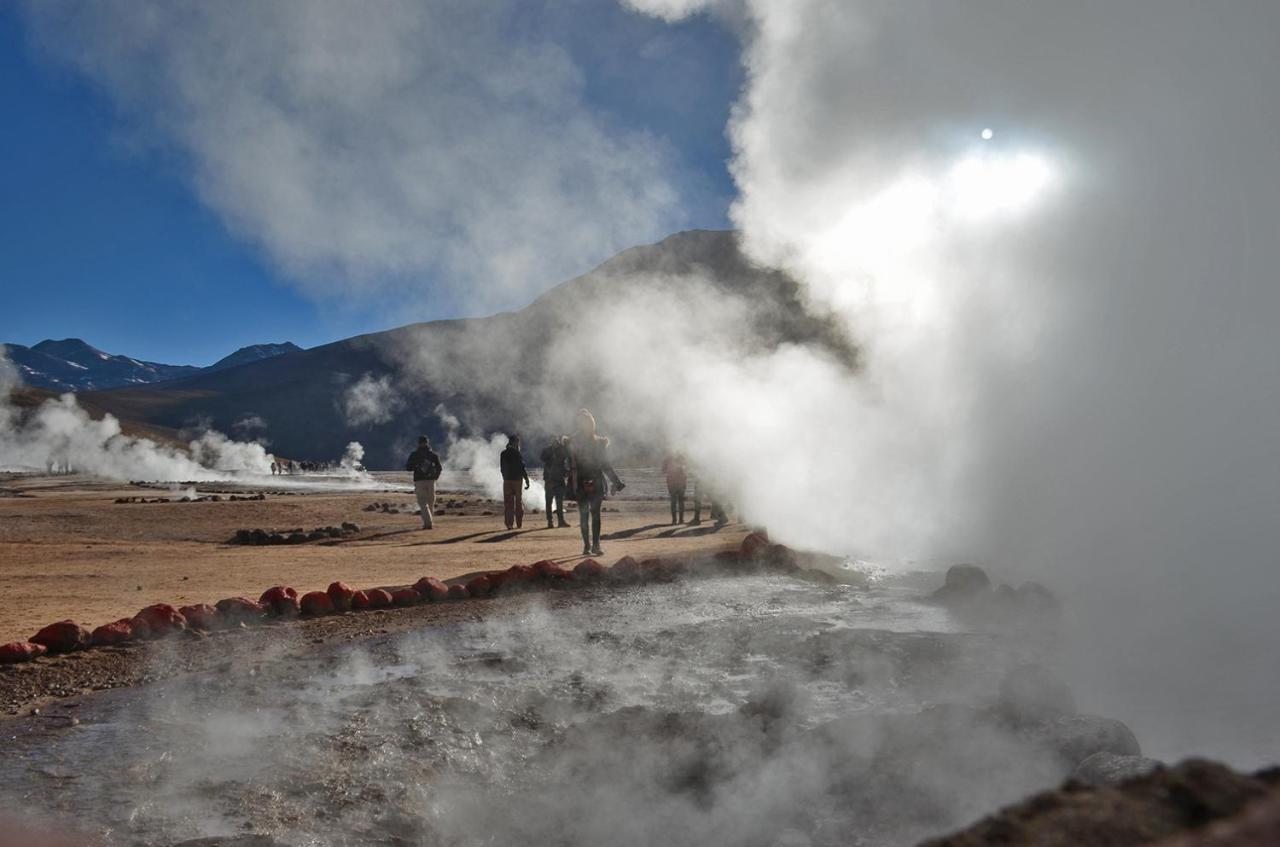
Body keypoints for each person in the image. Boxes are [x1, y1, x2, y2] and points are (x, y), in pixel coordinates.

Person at [568, 408, 624, 556]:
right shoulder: (574, 443)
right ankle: (589, 546)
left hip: (591, 482)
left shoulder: (595, 443)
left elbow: (605, 465)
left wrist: (616, 481)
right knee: (587, 515)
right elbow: (567, 463)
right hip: (582, 482)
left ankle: (593, 545)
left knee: (592, 515)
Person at [405, 435, 443, 529]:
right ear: (427, 442)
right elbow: (439, 468)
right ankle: (429, 522)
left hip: (419, 481)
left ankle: (428, 523)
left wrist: (416, 467)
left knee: (422, 503)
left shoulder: (414, 455)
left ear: (418, 443)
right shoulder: (433, 455)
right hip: (431, 481)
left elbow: (408, 468)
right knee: (430, 502)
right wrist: (435, 477)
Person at [540, 435, 571, 528]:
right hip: (550, 478)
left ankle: (559, 521)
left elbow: (567, 455)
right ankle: (550, 521)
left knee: (558, 501)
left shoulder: (561, 450)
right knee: (549, 502)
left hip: (558, 478)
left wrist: (564, 446)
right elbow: (543, 458)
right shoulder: (547, 450)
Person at [500, 434, 530, 530]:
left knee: (508, 503)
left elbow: (502, 468)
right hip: (517, 480)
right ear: (515, 442)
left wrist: (505, 477)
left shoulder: (503, 453)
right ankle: (519, 524)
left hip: (507, 480)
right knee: (518, 502)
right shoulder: (517, 454)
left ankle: (509, 524)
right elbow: (522, 468)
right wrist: (526, 479)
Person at [662, 452, 687, 525]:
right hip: (680, 482)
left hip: (673, 482)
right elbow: (687, 469)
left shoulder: (668, 458)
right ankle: (680, 520)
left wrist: (670, 470)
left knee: (674, 501)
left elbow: (663, 471)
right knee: (680, 501)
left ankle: (675, 520)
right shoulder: (681, 457)